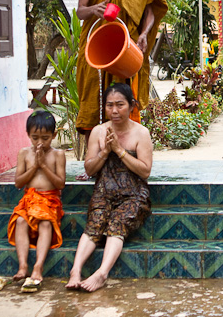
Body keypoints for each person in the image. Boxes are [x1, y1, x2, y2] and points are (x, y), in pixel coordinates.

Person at [76, 0, 168, 134]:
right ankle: (96, 157)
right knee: (94, 96)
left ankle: (128, 154)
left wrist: (144, 34)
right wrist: (94, 9)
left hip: (127, 45)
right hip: (96, 45)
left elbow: (150, 10)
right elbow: (81, 11)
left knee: (125, 96)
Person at [66, 83, 153, 292]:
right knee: (95, 224)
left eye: (120, 105)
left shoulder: (141, 133)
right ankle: (75, 270)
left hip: (133, 195)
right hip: (104, 190)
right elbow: (89, 168)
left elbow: (145, 171)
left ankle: (102, 273)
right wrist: (104, 153)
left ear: (131, 105)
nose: (114, 111)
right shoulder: (98, 131)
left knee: (117, 223)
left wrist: (119, 151)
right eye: (109, 105)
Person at [4, 110, 66, 293]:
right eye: (35, 138)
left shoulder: (58, 155)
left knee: (46, 223)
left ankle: (38, 266)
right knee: (21, 221)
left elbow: (60, 183)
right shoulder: (24, 153)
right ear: (28, 135)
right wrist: (35, 167)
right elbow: (18, 182)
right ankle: (23, 266)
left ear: (54, 135)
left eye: (45, 138)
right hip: (29, 200)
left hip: (50, 200)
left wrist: (44, 166)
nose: (40, 143)